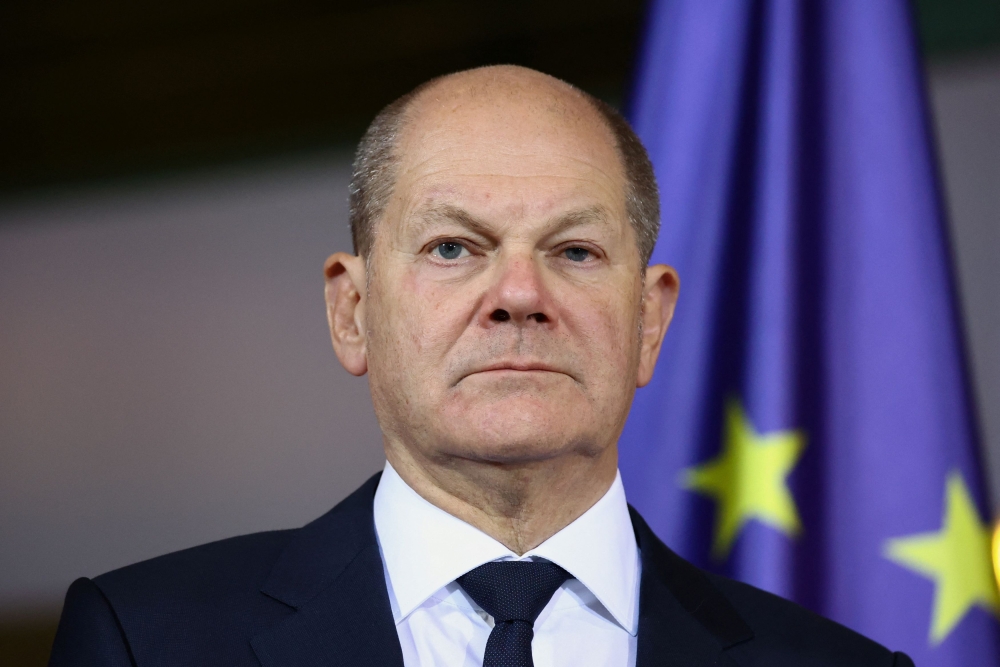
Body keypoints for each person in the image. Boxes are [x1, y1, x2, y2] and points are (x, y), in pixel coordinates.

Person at [48, 65, 914, 667]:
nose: (519, 293)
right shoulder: (147, 640)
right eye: (454, 246)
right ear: (353, 311)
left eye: (574, 250)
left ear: (649, 320)